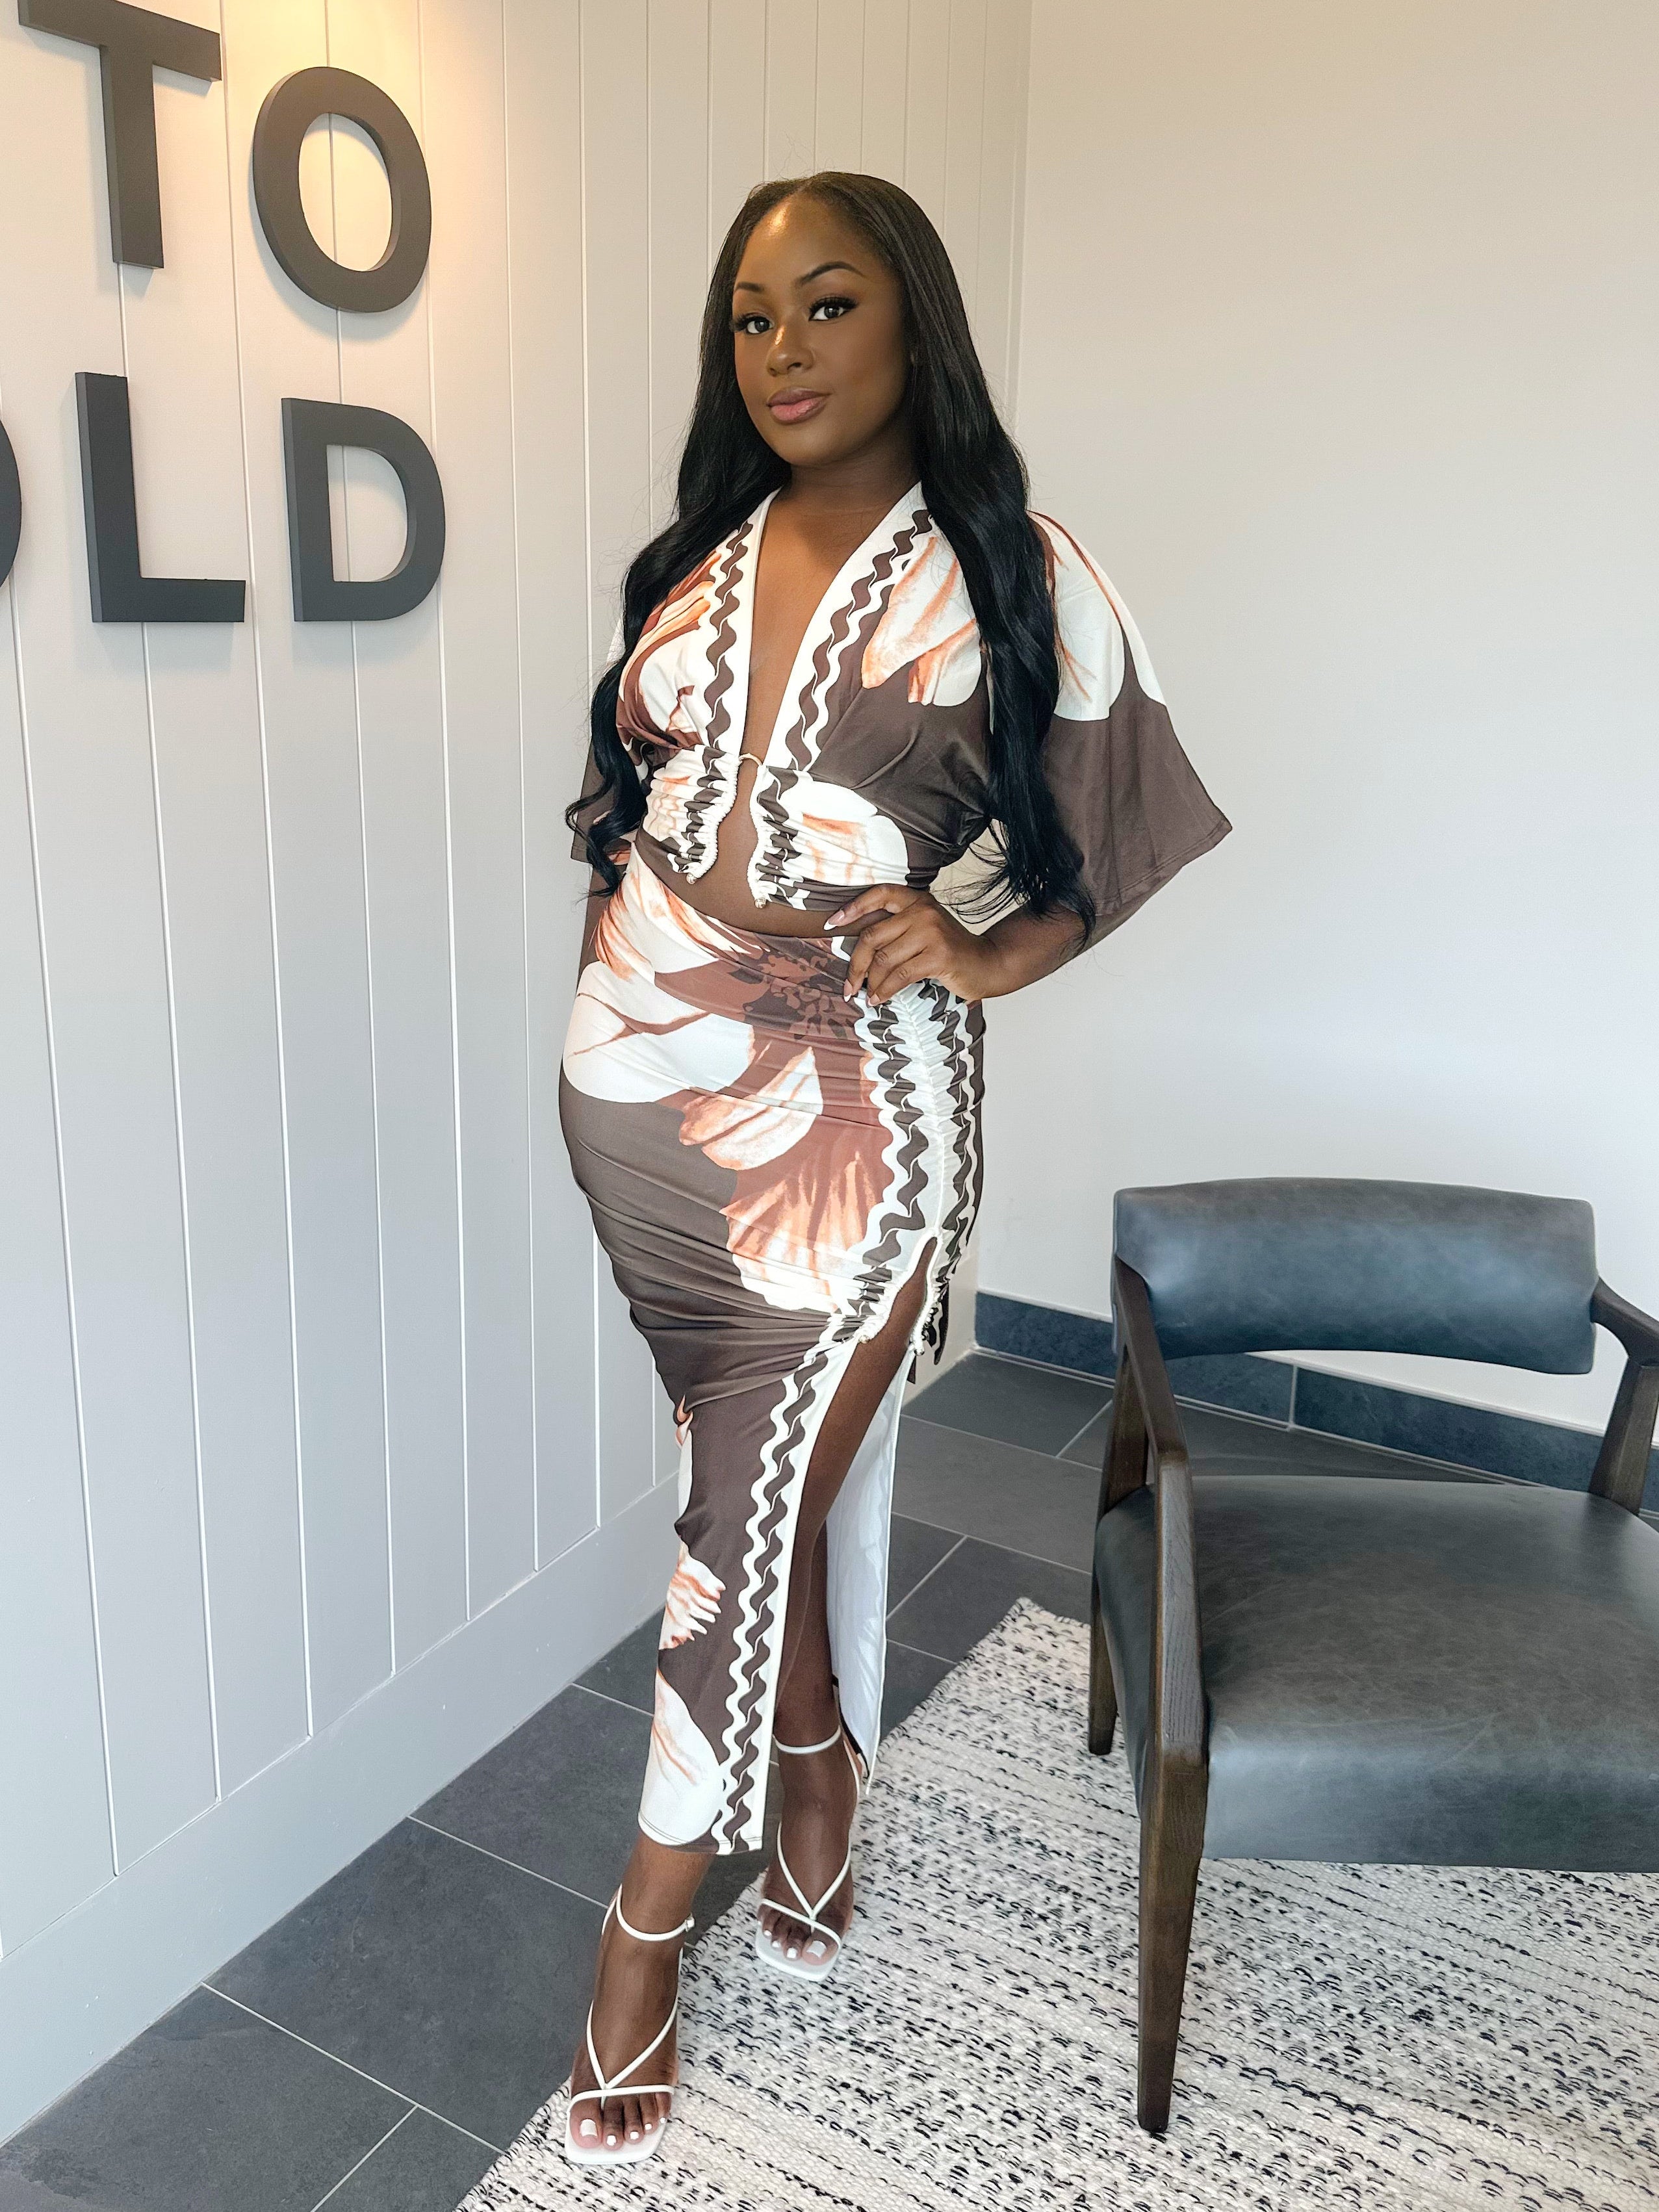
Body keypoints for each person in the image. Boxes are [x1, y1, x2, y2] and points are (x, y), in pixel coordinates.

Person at [558, 170, 1229, 2167]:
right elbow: (628, 811)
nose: (782, 351)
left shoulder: (1018, 567)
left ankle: (639, 1937)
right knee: (745, 1484)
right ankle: (818, 1760)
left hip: (856, 1109)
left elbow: (1115, 837)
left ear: (912, 321)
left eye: (827, 304)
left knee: (734, 1516)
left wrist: (983, 948)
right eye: (750, 319)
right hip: (640, 1099)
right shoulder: (694, 558)